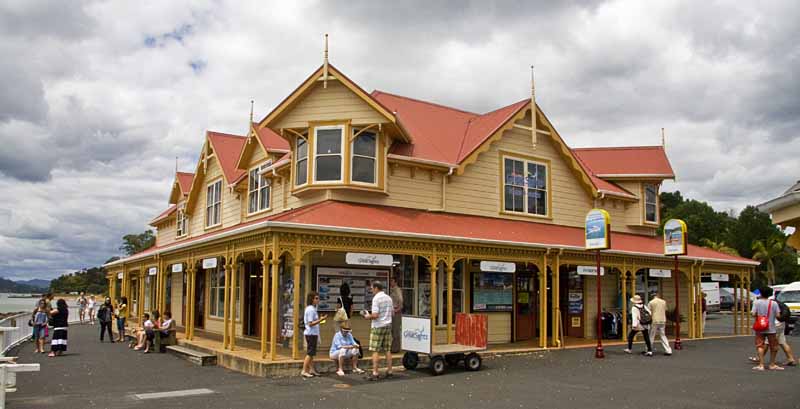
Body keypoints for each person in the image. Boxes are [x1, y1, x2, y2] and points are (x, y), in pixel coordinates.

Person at [362, 281, 394, 380]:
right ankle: (389, 371)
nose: (371, 290)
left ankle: (375, 372)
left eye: (372, 288)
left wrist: (367, 316)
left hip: (378, 326)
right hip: (388, 326)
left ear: (376, 288)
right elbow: (392, 313)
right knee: (387, 350)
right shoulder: (389, 298)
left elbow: (375, 315)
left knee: (375, 350)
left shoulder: (376, 299)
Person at [751, 287, 782, 371]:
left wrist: (760, 316)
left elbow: (753, 314)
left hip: (760, 328)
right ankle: (772, 364)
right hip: (771, 328)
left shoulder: (756, 302)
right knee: (774, 346)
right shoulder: (774, 303)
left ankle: (761, 365)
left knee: (760, 345)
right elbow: (778, 315)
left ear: (760, 293)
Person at [301, 292, 327, 378]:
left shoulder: (312, 308)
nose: (318, 300)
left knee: (312, 353)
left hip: (312, 333)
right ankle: (304, 370)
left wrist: (320, 320)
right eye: (316, 298)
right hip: (311, 333)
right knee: (310, 353)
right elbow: (310, 323)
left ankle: (312, 369)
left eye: (318, 298)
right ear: (311, 299)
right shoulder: (311, 309)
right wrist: (321, 319)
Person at [389, 277, 404, 353]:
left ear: (395, 282)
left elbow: (401, 301)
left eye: (392, 281)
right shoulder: (391, 290)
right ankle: (394, 347)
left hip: (396, 312)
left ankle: (396, 348)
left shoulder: (397, 290)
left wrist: (396, 310)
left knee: (396, 330)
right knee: (392, 330)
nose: (390, 283)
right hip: (392, 311)